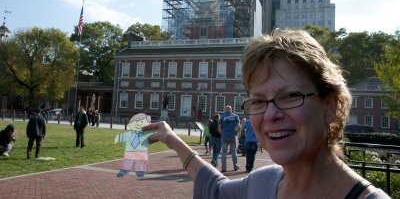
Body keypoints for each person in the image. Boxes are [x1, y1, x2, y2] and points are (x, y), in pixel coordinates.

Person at [142, 29, 390, 198]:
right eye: (258, 101)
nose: (271, 114)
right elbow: (216, 189)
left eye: (290, 96)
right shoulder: (263, 183)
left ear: (330, 106)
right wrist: (172, 139)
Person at [114, 113, 154, 178]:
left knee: (141, 162)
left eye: (141, 122)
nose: (138, 124)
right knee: (127, 162)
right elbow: (123, 136)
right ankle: (123, 172)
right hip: (129, 151)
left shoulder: (146, 133)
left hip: (141, 151)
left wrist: (154, 131)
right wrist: (118, 138)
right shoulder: (129, 133)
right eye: (136, 122)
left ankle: (140, 173)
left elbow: (154, 134)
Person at [218, 105, 240, 173]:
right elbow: (238, 126)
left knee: (224, 152)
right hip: (232, 136)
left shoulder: (222, 117)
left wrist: (222, 134)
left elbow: (219, 127)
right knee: (234, 152)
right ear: (231, 109)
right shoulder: (236, 116)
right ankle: (235, 166)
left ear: (225, 110)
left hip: (224, 136)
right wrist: (236, 133)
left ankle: (224, 168)